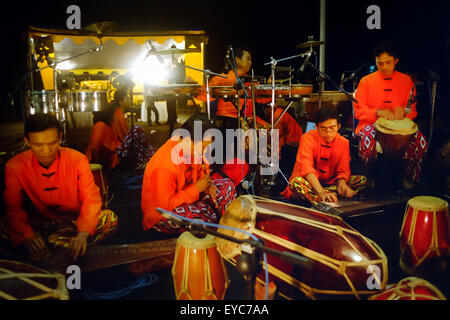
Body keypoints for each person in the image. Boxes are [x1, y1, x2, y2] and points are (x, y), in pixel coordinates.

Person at [0, 113, 117, 260]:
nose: (46, 151)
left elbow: (91, 199)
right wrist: (27, 236)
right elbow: (13, 209)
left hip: (73, 224)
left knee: (109, 218)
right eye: (38, 145)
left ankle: (54, 246)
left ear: (60, 137)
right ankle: (57, 246)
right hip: (36, 225)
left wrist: (83, 233)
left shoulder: (77, 159)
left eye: (52, 143)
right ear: (27, 142)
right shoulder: (15, 166)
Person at [141, 114, 237, 234]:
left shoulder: (192, 150)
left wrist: (207, 185)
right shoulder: (163, 165)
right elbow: (163, 206)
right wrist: (196, 189)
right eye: (203, 147)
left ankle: (219, 224)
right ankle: (215, 224)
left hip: (189, 199)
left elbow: (201, 172)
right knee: (198, 220)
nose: (205, 151)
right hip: (161, 214)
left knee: (226, 186)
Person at [354, 42, 428, 188]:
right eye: (380, 63)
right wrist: (377, 112)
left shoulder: (406, 81)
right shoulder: (366, 81)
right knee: (367, 136)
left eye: (388, 62)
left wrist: (403, 111)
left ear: (396, 61)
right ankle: (369, 177)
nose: (384, 67)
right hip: (372, 126)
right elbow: (359, 111)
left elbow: (411, 109)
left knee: (420, 140)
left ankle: (409, 176)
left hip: (400, 130)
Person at [282, 106, 366, 204]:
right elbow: (307, 169)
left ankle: (322, 196)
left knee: (361, 180)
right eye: (323, 128)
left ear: (339, 126)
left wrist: (342, 184)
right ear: (316, 127)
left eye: (332, 127)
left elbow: (343, 170)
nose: (328, 132)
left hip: (331, 184)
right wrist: (321, 192)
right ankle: (325, 196)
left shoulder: (344, 142)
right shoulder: (307, 138)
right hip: (309, 183)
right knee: (296, 183)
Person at [208, 46, 269, 130]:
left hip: (247, 119)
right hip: (228, 119)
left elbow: (261, 98)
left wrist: (270, 86)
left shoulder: (251, 80)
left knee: (268, 129)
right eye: (248, 59)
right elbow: (207, 92)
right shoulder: (224, 77)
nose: (250, 62)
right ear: (237, 59)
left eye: (251, 60)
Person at [86, 104, 154, 170]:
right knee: (136, 130)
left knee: (138, 133)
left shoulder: (107, 125)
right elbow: (94, 148)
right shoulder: (100, 126)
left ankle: (144, 159)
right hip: (114, 157)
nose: (114, 116)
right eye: (112, 114)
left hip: (117, 152)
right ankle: (143, 160)